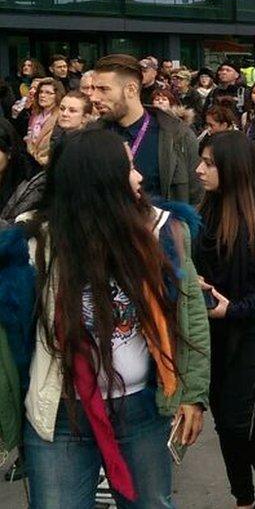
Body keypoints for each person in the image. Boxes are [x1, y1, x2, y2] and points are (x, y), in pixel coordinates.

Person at [0, 129, 210, 507]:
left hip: (141, 409)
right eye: (129, 167)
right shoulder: (35, 241)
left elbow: (191, 314)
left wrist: (193, 394)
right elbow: (12, 340)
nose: (139, 177)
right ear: (100, 179)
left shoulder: (161, 232)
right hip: (60, 412)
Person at [193, 131, 255, 509]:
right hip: (213, 333)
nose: (199, 170)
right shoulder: (203, 216)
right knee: (226, 422)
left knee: (243, 423)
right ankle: (244, 499)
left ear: (233, 168)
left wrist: (234, 309)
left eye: (209, 163)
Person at [91, 54, 203, 204]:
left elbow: (196, 199)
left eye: (103, 89)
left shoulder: (178, 135)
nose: (93, 97)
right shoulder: (90, 136)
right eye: (93, 88)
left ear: (131, 89)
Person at [24, 78, 64, 167]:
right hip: (31, 163)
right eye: (41, 92)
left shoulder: (60, 117)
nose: (42, 95)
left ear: (57, 95)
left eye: (48, 93)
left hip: (48, 166)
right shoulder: (36, 115)